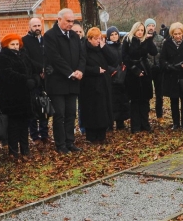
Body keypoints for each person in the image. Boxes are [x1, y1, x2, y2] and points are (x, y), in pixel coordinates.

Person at [43, 9, 86, 153]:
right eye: (68, 21)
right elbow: (55, 58)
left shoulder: (74, 36)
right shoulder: (50, 36)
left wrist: (80, 70)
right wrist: (70, 73)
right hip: (57, 83)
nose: (70, 24)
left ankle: (70, 142)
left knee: (71, 114)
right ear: (59, 19)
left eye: (72, 21)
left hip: (73, 82)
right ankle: (60, 145)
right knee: (59, 114)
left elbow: (82, 56)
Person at [0, 33, 36, 159]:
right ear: (7, 45)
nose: (15, 46)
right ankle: (13, 151)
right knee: (13, 126)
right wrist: (25, 80)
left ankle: (25, 149)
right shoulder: (3, 57)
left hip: (25, 96)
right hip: (11, 97)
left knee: (24, 125)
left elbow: (32, 69)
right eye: (12, 44)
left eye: (17, 44)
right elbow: (7, 74)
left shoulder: (24, 55)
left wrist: (34, 80)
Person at [161, 22, 183, 130]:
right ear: (172, 34)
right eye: (175, 34)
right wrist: (168, 66)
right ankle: (176, 123)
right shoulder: (167, 44)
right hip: (171, 76)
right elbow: (162, 59)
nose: (177, 36)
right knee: (174, 101)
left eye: (179, 34)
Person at [80, 28, 114, 142]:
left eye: (100, 38)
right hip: (89, 85)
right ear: (89, 39)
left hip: (103, 83)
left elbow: (114, 60)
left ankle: (102, 135)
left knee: (103, 109)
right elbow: (81, 66)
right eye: (96, 39)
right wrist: (95, 70)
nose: (98, 41)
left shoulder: (101, 49)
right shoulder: (84, 49)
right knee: (91, 110)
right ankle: (91, 136)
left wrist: (104, 47)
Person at [124, 22, 157, 133]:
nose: (140, 32)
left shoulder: (145, 41)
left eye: (142, 30)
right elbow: (124, 57)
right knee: (135, 101)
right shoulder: (128, 40)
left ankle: (145, 124)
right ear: (134, 30)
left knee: (145, 100)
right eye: (138, 30)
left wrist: (149, 40)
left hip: (145, 71)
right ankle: (136, 126)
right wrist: (135, 70)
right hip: (132, 73)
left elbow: (154, 52)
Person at [22, 17, 49, 142]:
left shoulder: (46, 40)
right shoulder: (24, 41)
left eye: (39, 25)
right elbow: (26, 59)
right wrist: (40, 69)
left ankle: (44, 134)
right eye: (34, 26)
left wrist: (47, 70)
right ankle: (34, 135)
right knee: (34, 108)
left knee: (45, 107)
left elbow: (51, 57)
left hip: (46, 80)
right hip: (33, 79)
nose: (37, 28)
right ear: (29, 27)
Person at [103, 27, 129, 131]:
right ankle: (110, 123)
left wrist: (124, 66)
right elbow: (104, 62)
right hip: (112, 77)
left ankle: (121, 122)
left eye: (116, 34)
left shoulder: (122, 47)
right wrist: (111, 70)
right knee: (112, 101)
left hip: (122, 77)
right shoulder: (106, 47)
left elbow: (125, 58)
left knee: (122, 100)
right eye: (112, 34)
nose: (114, 36)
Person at [144, 19, 165, 120]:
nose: (151, 27)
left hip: (159, 70)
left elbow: (163, 53)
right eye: (149, 25)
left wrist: (159, 64)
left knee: (159, 94)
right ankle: (146, 113)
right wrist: (150, 64)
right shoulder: (143, 38)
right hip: (147, 70)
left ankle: (159, 114)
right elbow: (143, 55)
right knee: (147, 93)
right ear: (146, 27)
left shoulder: (161, 39)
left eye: (153, 25)